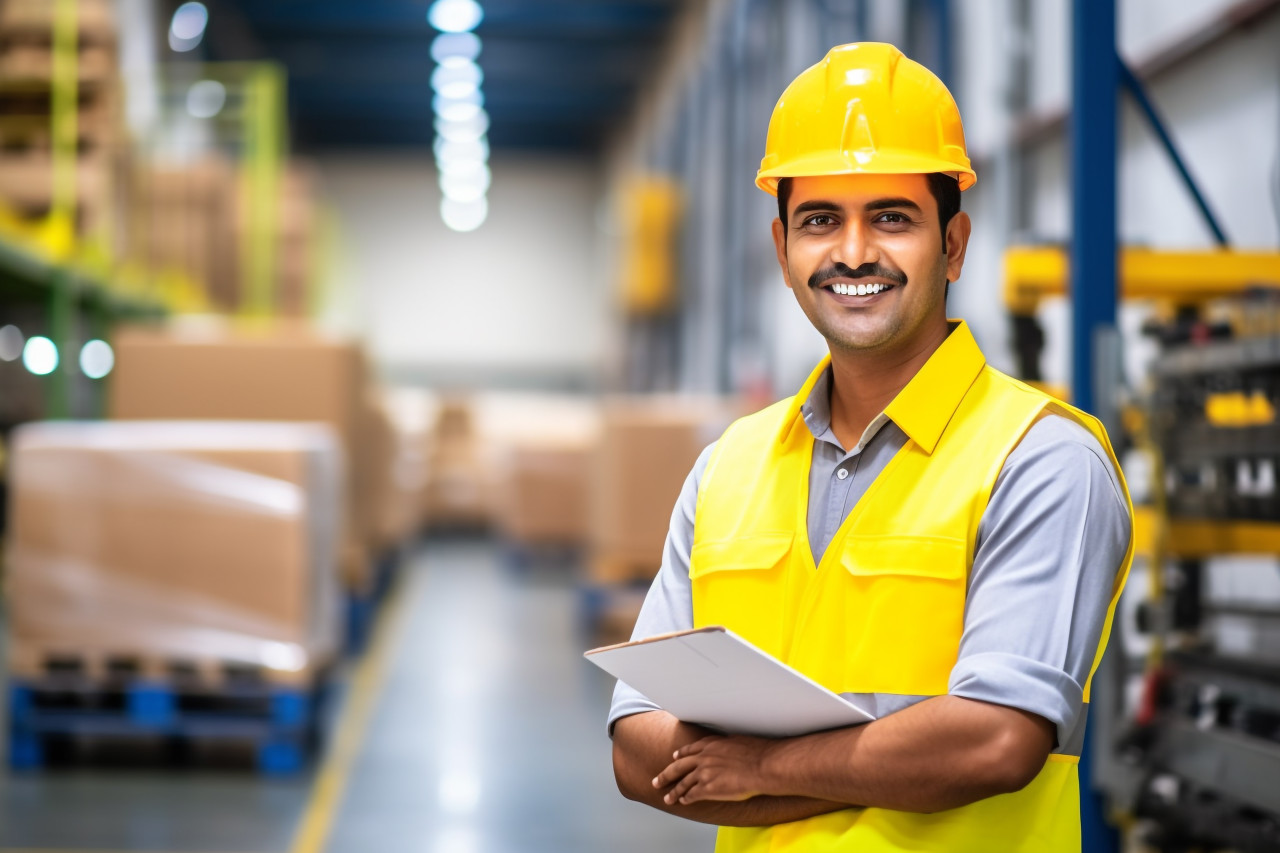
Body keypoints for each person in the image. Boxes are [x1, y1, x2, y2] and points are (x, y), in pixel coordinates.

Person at [606, 42, 1135, 853]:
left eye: (891, 216)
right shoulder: (727, 468)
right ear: (782, 251)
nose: (854, 252)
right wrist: (847, 767)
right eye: (820, 220)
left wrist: (761, 767)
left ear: (953, 245)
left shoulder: (1041, 461)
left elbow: (995, 742)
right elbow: (635, 746)